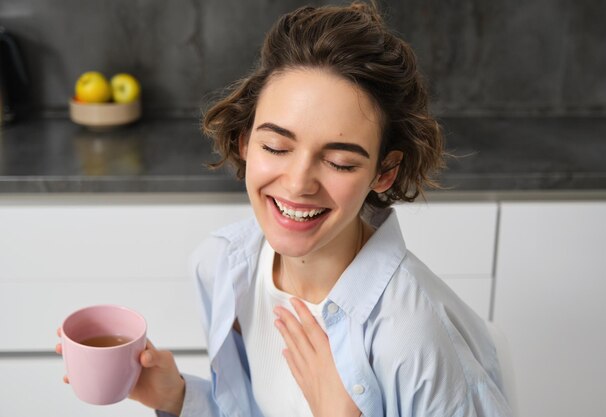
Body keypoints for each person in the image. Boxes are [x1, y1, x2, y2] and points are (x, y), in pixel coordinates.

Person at [58, 2, 512, 416]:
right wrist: (178, 398)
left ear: (383, 173)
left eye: (339, 161)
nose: (297, 184)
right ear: (245, 142)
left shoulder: (414, 336)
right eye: (275, 146)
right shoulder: (224, 267)